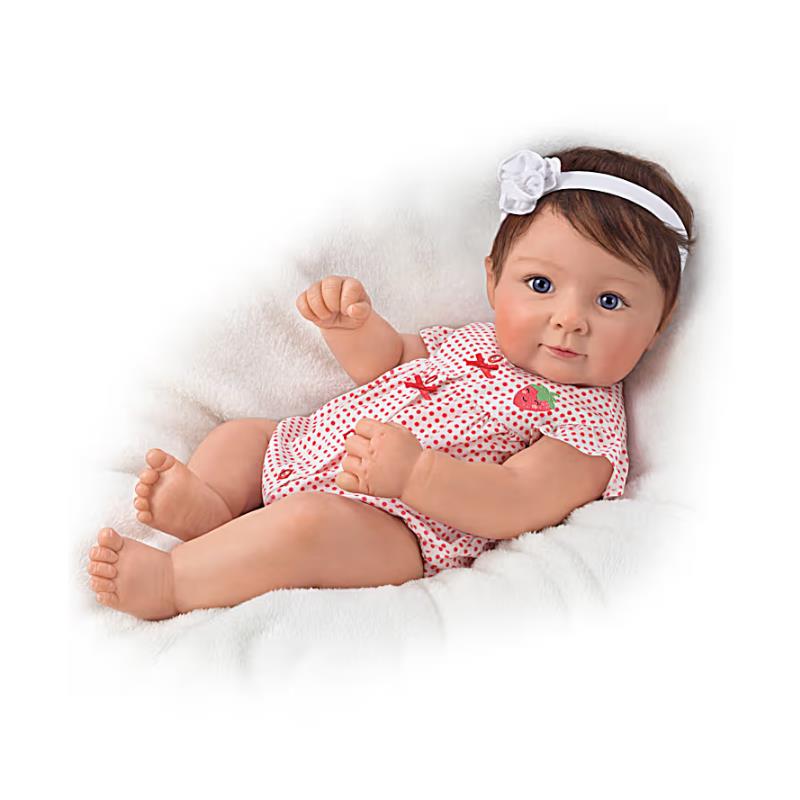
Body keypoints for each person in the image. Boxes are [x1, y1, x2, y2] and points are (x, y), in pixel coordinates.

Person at [86, 145, 696, 620]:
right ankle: (217, 514)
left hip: (401, 531)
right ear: (493, 281)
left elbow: (516, 499)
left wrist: (416, 475)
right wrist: (353, 327)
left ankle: (174, 582)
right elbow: (393, 360)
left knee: (307, 527)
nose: (569, 318)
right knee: (241, 438)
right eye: (540, 285)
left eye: (610, 301)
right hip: (310, 451)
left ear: (659, 324)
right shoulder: (476, 340)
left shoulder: (586, 426)